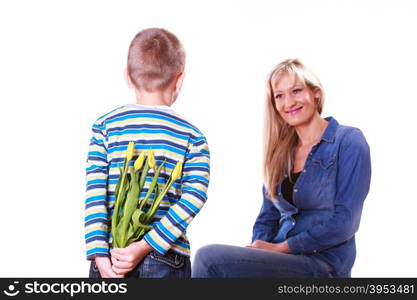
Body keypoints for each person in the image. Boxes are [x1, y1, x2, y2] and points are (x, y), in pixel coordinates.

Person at [192, 59, 371, 278]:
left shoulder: (348, 141)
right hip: (281, 260)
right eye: (279, 96)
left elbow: (345, 222)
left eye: (296, 91)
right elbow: (267, 218)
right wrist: (257, 250)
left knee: (209, 259)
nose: (289, 102)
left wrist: (282, 248)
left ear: (315, 93)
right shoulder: (280, 153)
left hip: (324, 265)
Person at [85, 28, 210, 278]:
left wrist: (100, 255)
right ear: (180, 79)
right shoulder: (193, 137)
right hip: (165, 256)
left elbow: (95, 193)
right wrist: (145, 245)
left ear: (128, 77)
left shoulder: (105, 127)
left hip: (111, 257)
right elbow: (195, 196)